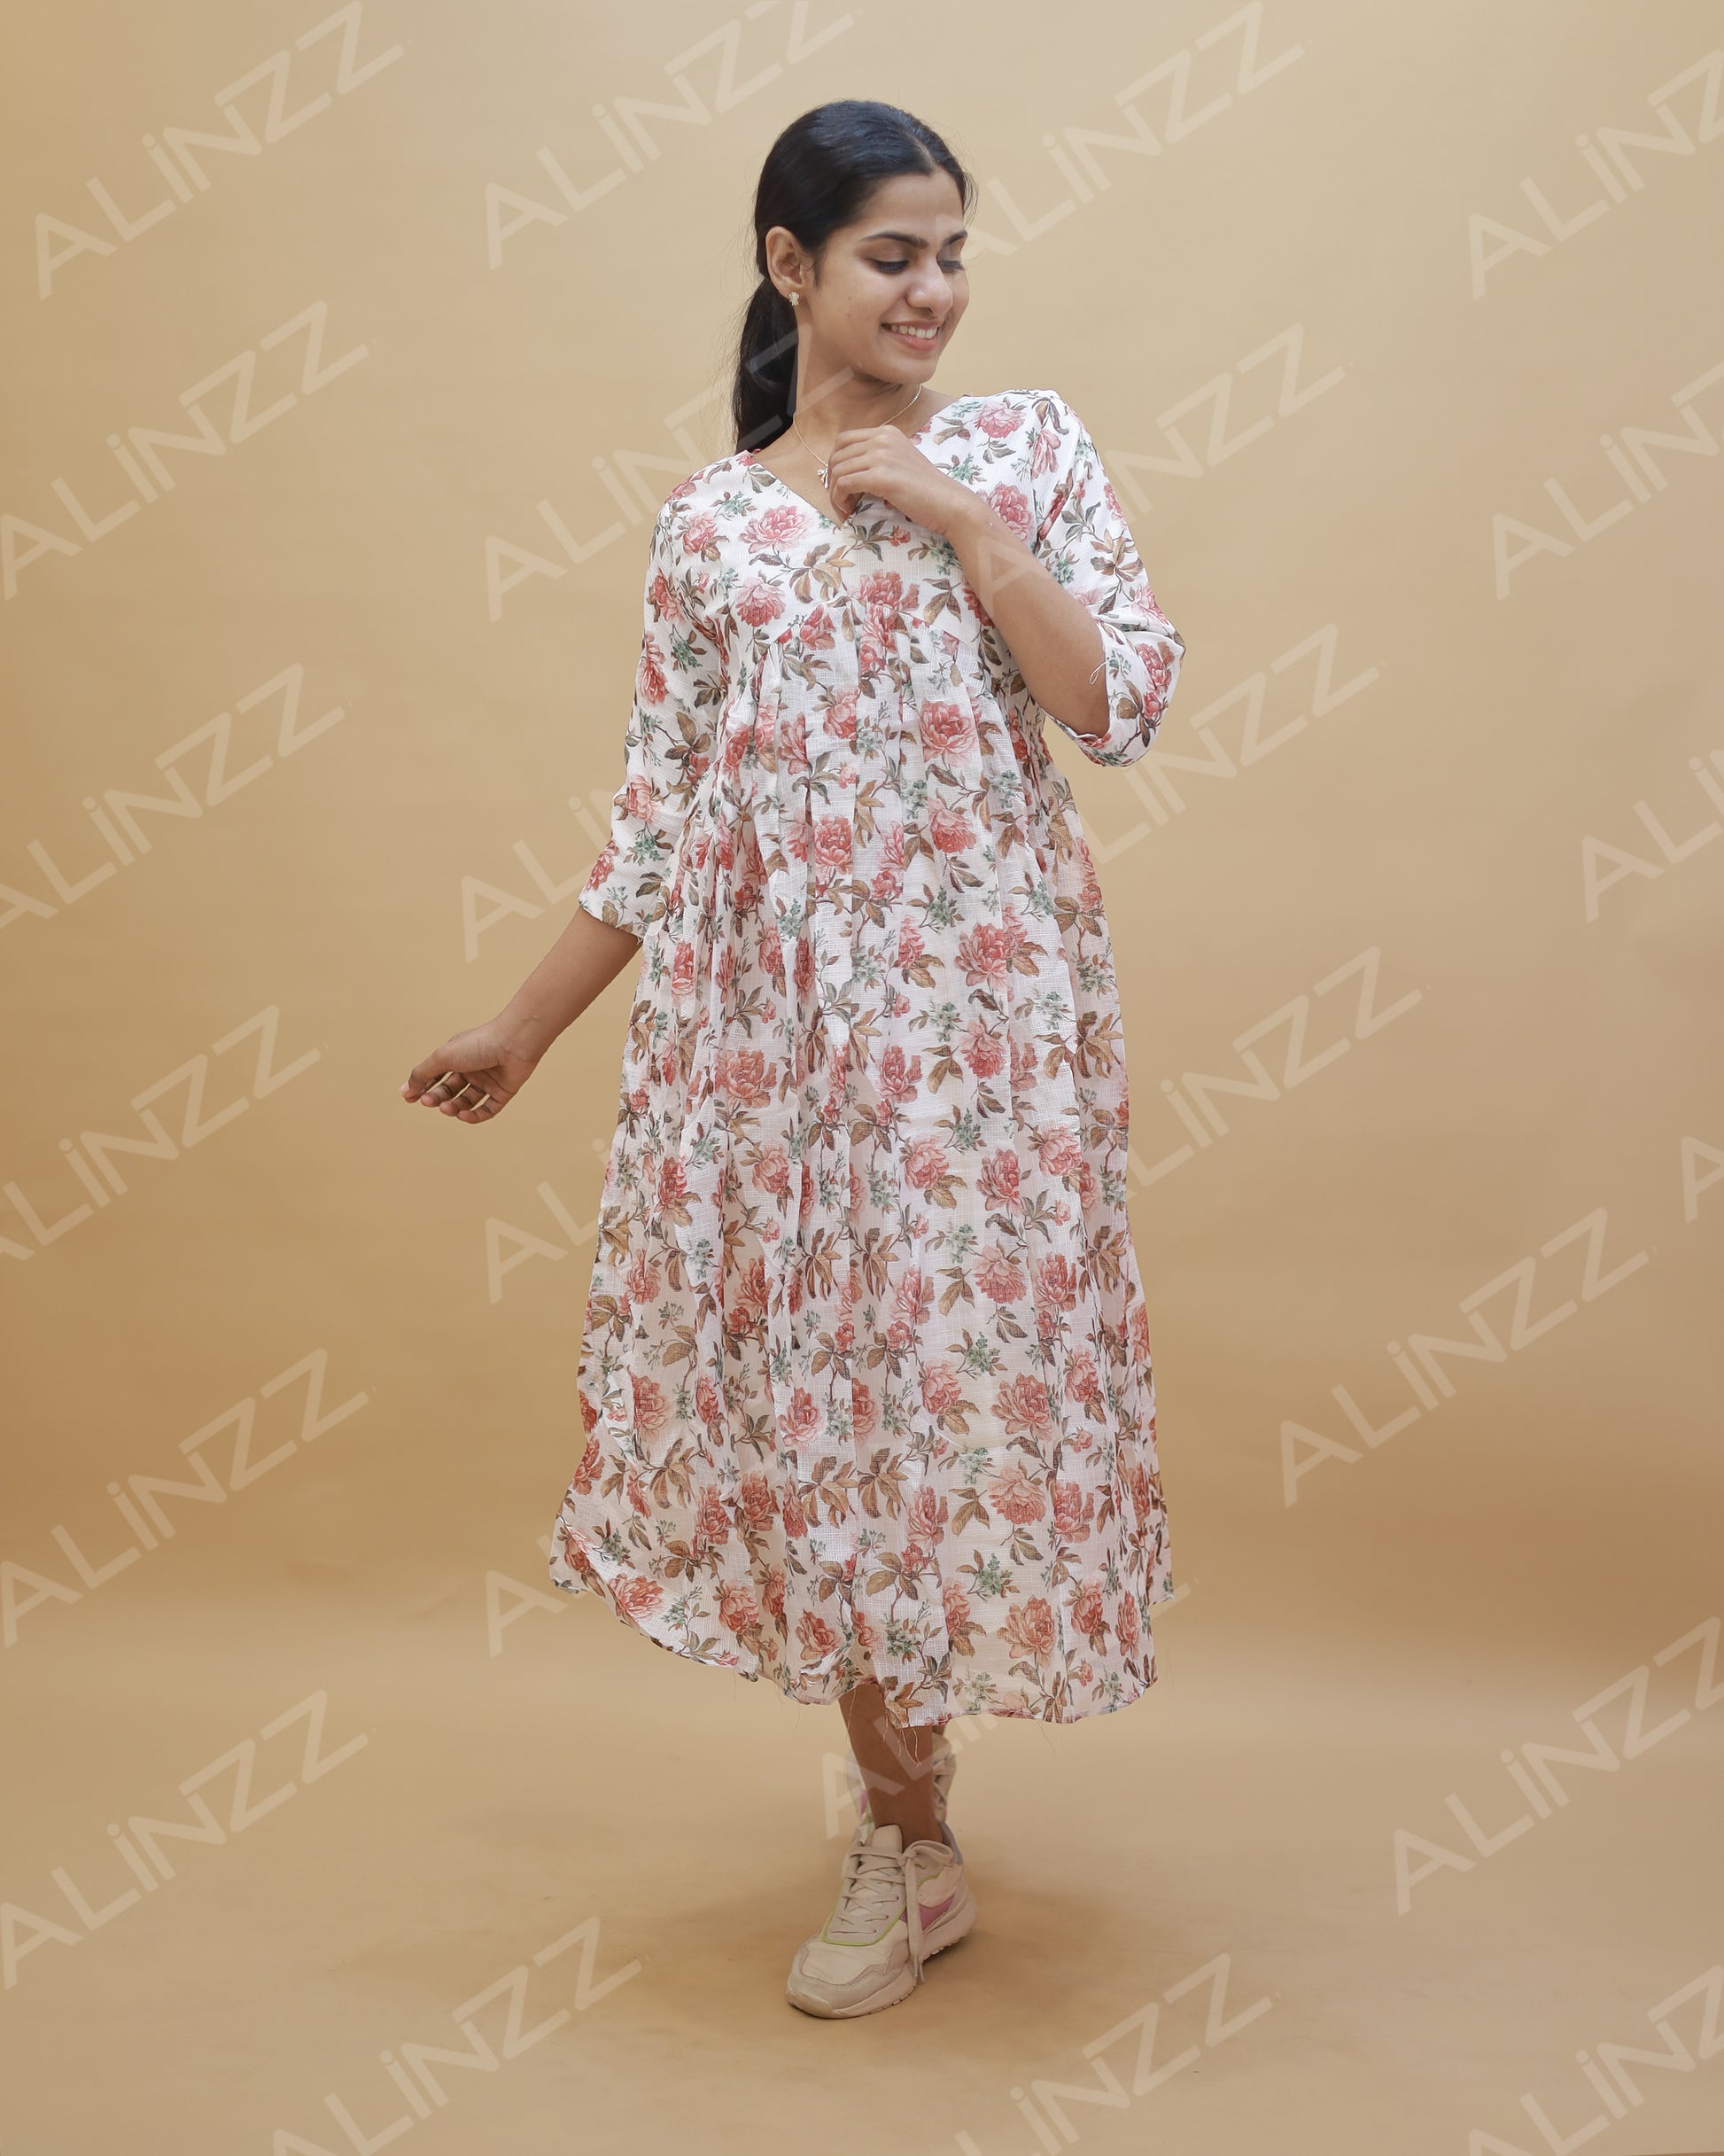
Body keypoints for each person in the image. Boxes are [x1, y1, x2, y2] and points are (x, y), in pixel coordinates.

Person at [402, 98, 1186, 2020]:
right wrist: (519, 1025)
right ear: (789, 265)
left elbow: (1117, 700)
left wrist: (962, 519)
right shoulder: (709, 528)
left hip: (979, 1042)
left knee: (950, 1401)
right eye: (889, 255)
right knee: (831, 1420)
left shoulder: (1025, 447)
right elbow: (660, 820)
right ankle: (907, 1840)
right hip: (776, 1052)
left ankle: (913, 1815)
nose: (932, 289)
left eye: (950, 253)